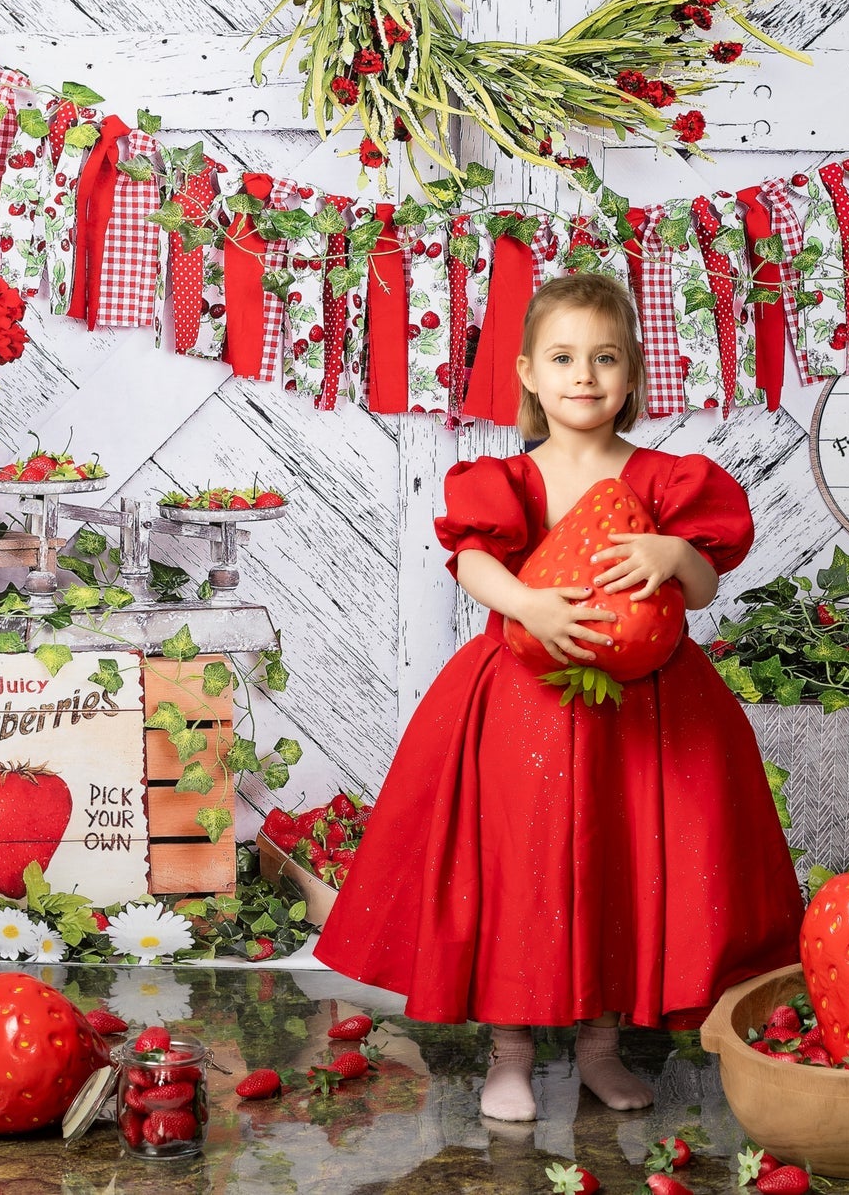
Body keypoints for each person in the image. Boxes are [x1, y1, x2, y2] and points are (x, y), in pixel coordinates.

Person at [314, 273, 804, 1122]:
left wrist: (669, 557)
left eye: (605, 358)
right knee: (519, 870)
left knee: (624, 870)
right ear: (530, 374)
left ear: (632, 375)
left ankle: (600, 1052)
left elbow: (703, 586)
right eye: (565, 358)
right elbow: (472, 564)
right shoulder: (508, 479)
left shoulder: (667, 481)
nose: (585, 376)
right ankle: (509, 1052)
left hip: (645, 712)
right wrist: (528, 603)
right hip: (522, 704)